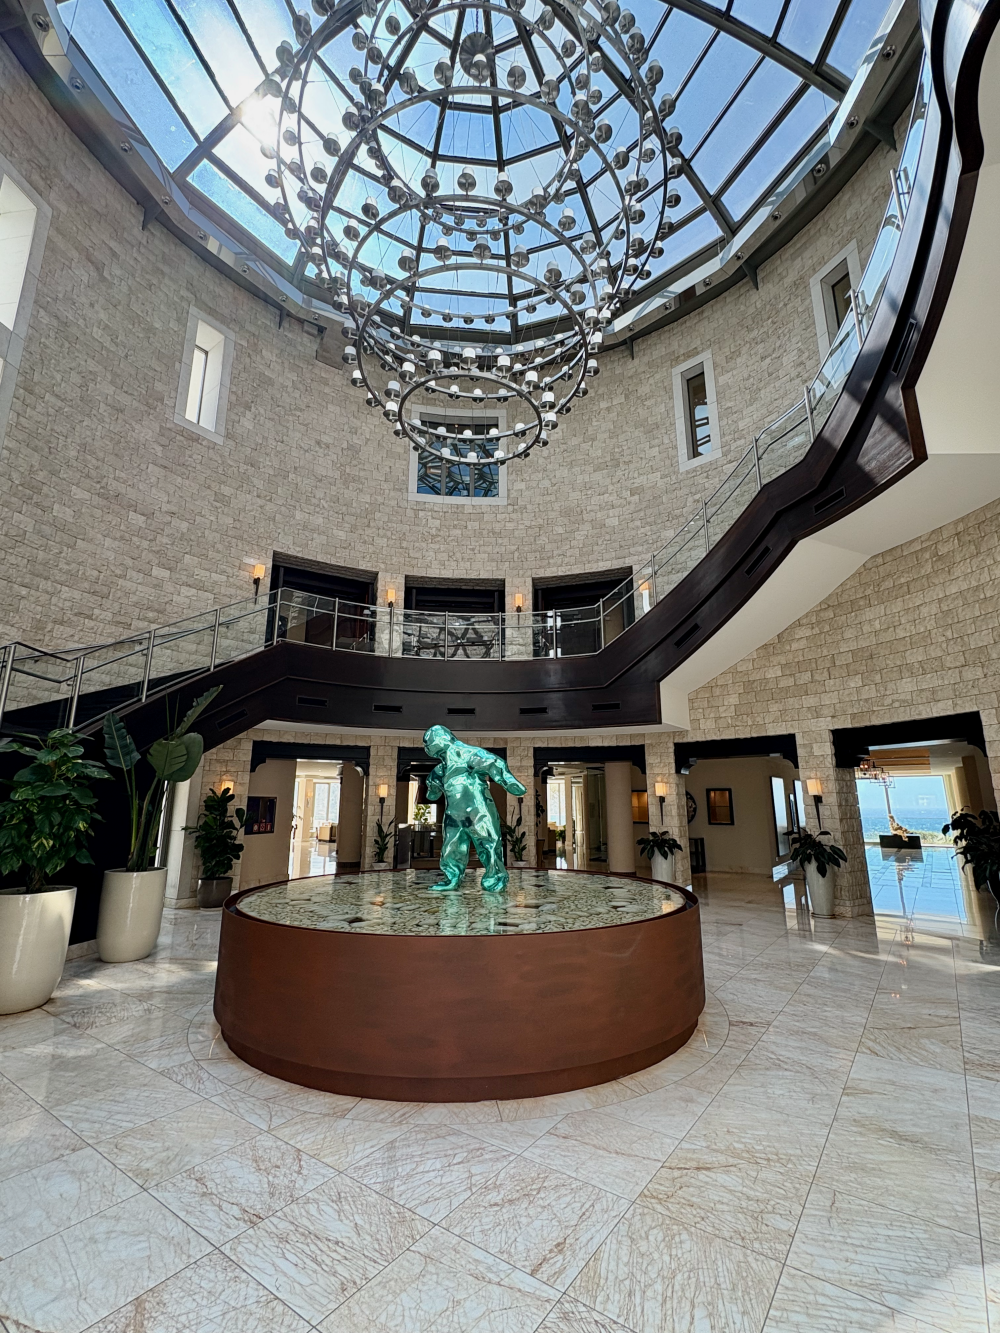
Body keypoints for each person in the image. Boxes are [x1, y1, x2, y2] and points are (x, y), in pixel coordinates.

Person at [422, 724, 527, 892]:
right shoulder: (440, 769)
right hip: (453, 816)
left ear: (441, 738)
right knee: (451, 847)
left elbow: (493, 762)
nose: (426, 747)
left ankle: (496, 877)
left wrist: (508, 780)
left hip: (479, 811)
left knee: (489, 844)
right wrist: (432, 790)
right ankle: (452, 877)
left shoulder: (468, 754)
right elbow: (433, 788)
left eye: (428, 742)